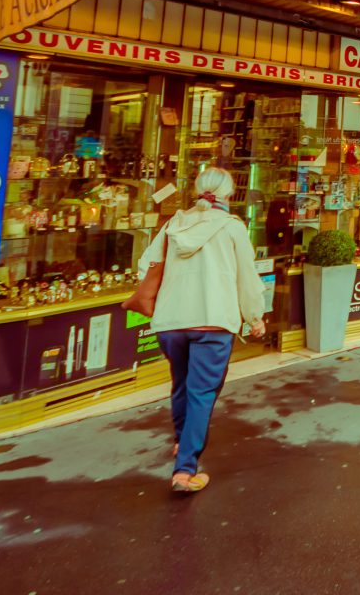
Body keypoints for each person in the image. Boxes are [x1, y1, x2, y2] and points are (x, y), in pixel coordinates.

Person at [137, 167, 266, 494]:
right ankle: (184, 471)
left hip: (171, 323)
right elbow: (247, 278)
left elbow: (145, 266)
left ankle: (182, 443)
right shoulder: (232, 228)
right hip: (212, 322)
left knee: (182, 386)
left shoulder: (174, 224)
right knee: (201, 394)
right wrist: (255, 316)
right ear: (229, 193)